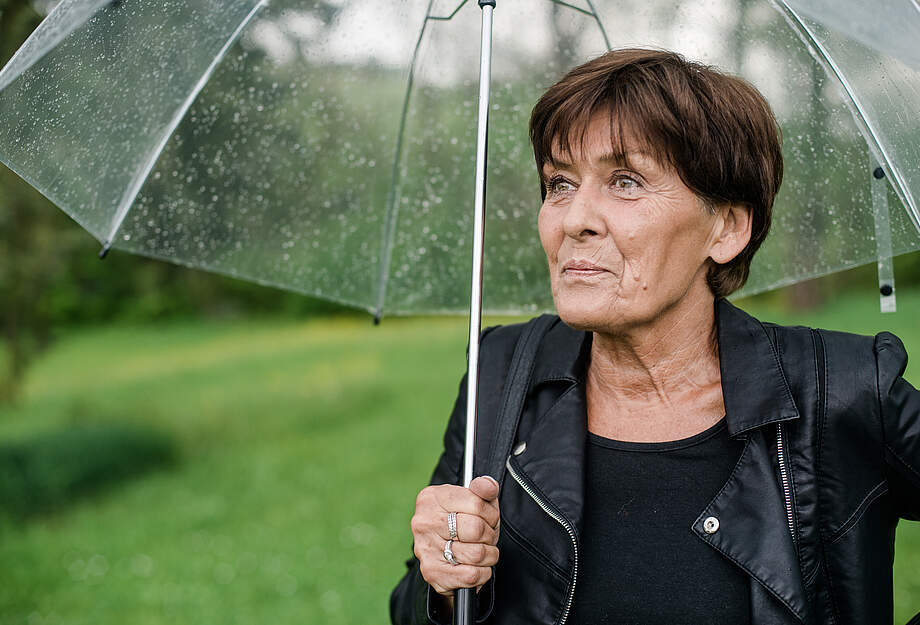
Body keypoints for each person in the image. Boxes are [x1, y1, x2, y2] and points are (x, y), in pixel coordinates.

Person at [390, 48, 920, 625]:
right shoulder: (501, 370)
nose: (574, 220)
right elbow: (410, 610)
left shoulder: (842, 388)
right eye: (559, 183)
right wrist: (443, 583)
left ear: (727, 228)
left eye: (625, 181)